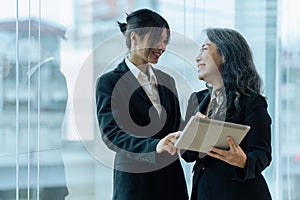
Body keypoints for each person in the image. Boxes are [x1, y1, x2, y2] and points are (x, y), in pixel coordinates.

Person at [95, 9, 188, 200]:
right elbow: (112, 134)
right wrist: (155, 146)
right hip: (136, 184)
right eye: (157, 40)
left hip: (171, 182)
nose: (162, 47)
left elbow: (176, 126)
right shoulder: (110, 82)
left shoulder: (167, 81)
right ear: (135, 37)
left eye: (165, 41)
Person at [180, 28, 272, 200]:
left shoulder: (251, 102)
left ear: (225, 55)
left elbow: (262, 154)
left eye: (205, 49)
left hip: (241, 193)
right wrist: (191, 133)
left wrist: (243, 161)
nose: (197, 57)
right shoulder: (197, 100)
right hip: (203, 192)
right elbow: (187, 155)